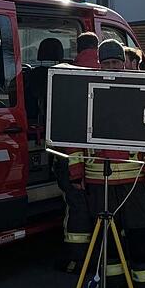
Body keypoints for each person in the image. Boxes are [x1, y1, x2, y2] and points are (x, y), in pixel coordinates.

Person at [70, 40, 145, 288]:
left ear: (124, 63)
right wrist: (76, 173)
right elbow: (74, 136)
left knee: (140, 240)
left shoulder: (140, 92)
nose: (113, 67)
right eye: (108, 63)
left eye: (116, 63)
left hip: (132, 182)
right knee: (106, 244)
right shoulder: (86, 94)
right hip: (97, 181)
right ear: (100, 63)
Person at [55, 34, 101, 273]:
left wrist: (74, 172)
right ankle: (99, 255)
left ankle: (76, 259)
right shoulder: (110, 69)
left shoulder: (66, 73)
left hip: (71, 154)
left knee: (76, 207)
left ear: (77, 47)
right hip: (102, 158)